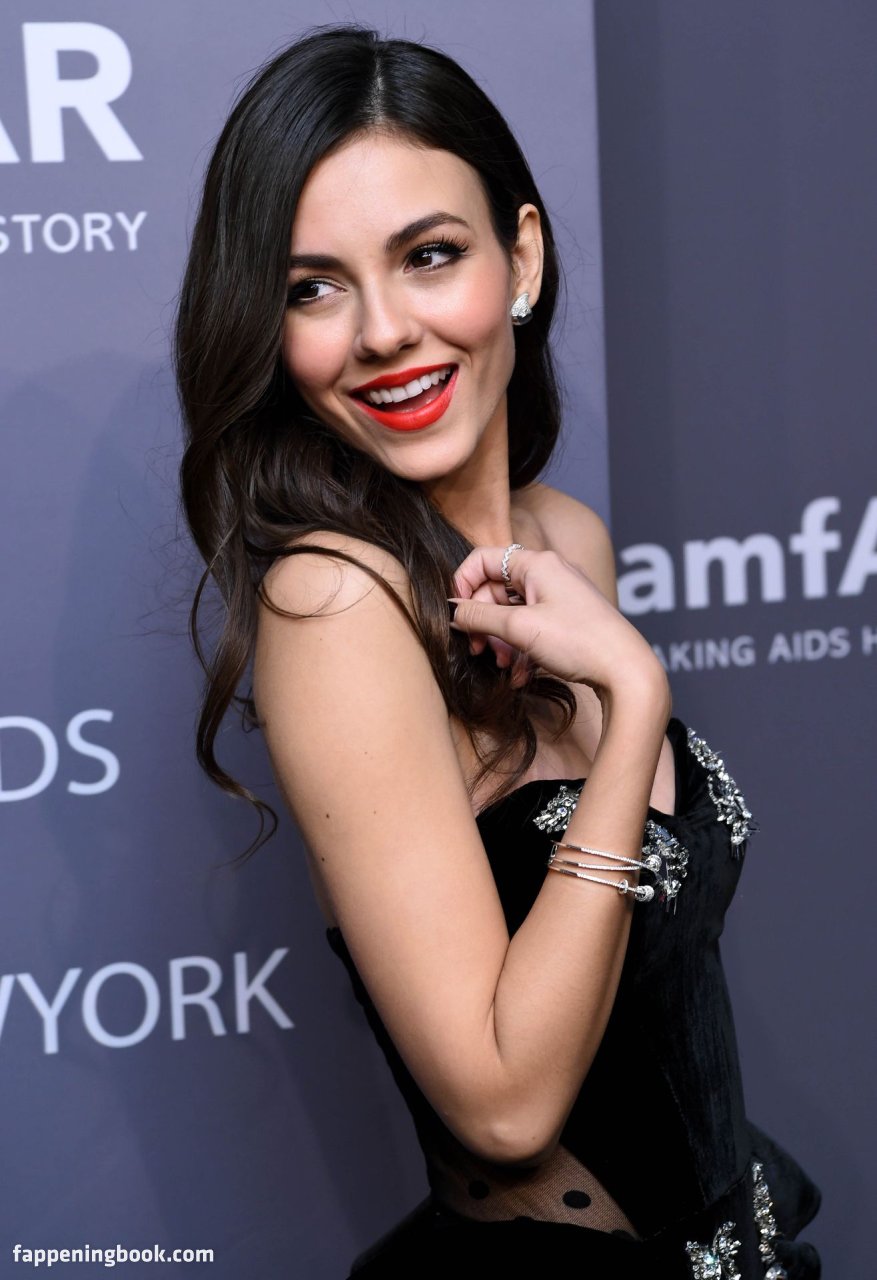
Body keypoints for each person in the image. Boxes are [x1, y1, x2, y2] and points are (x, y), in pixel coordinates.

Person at [174, 23, 822, 1278]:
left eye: (429, 255)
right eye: (313, 287)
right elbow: (506, 1105)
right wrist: (633, 697)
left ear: (520, 255)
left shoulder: (563, 536)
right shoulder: (333, 604)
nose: (382, 330)